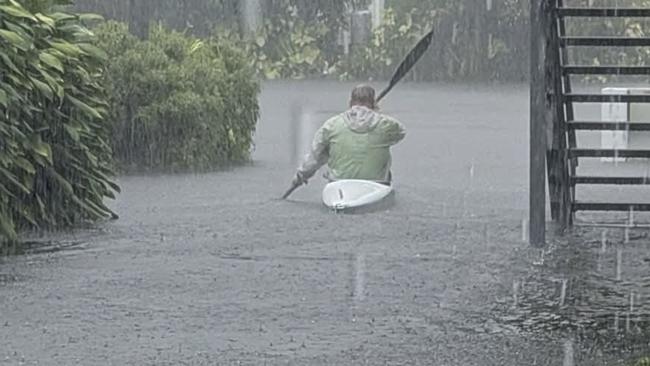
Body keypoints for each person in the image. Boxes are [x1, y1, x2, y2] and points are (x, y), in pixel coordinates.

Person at [291, 85, 406, 188]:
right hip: (376, 184)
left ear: (350, 103)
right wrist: (375, 113)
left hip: (338, 183)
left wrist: (300, 176)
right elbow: (401, 133)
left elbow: (314, 157)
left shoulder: (331, 125)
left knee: (326, 152)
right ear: (373, 103)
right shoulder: (387, 125)